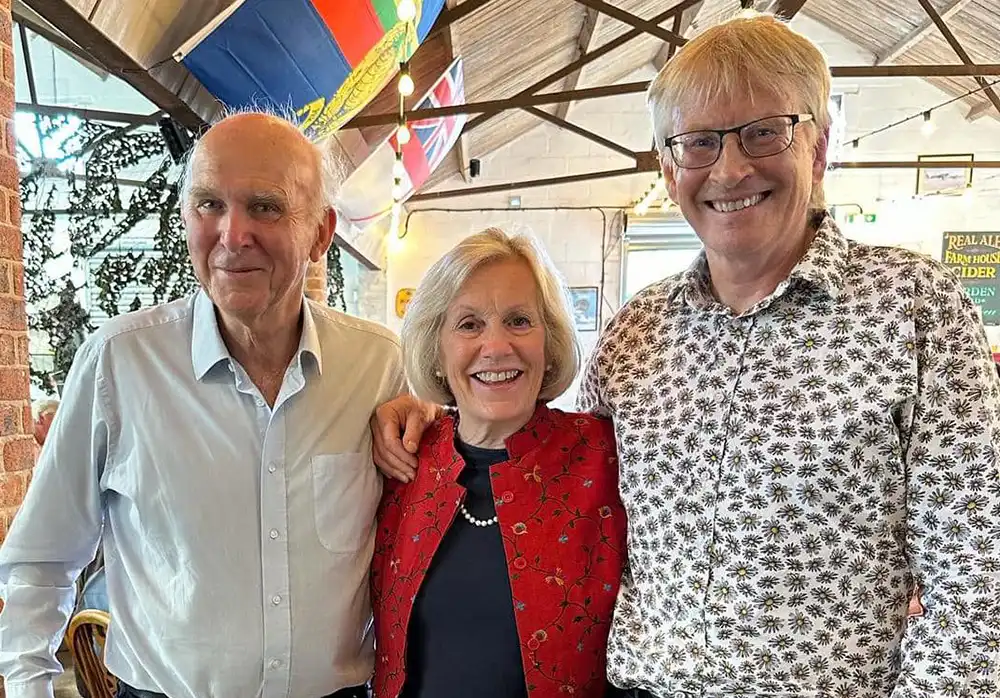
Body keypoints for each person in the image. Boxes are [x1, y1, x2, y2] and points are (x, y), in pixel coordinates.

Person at [371, 12, 1000, 698]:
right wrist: (425, 409)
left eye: (764, 132)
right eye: (699, 142)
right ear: (669, 170)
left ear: (818, 147)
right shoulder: (636, 334)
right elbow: (551, 465)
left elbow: (976, 579)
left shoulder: (915, 311)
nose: (730, 169)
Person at [0, 111, 405, 698]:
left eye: (265, 206)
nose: (232, 234)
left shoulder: (378, 368)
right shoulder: (120, 364)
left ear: (321, 233)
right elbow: (41, 561)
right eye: (209, 204)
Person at [371, 228, 627, 698]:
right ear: (437, 349)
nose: (496, 347)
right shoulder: (404, 458)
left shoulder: (607, 459)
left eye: (519, 321)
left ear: (549, 342)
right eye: (468, 324)